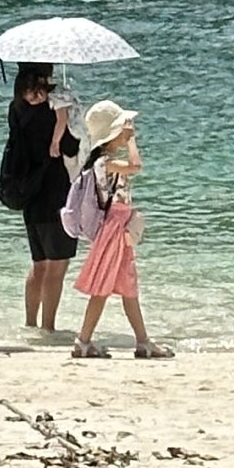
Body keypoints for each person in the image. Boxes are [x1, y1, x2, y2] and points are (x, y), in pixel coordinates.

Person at [68, 99, 171, 360]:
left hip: (116, 227)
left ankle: (141, 341)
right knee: (103, 286)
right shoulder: (104, 162)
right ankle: (85, 341)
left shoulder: (102, 161)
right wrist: (132, 140)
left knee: (127, 285)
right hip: (114, 228)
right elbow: (136, 166)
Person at [3, 61, 77, 336]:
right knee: (57, 265)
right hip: (57, 194)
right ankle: (48, 327)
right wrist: (67, 112)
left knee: (39, 264)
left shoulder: (16, 110)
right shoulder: (53, 112)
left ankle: (30, 324)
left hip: (30, 194)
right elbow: (71, 147)